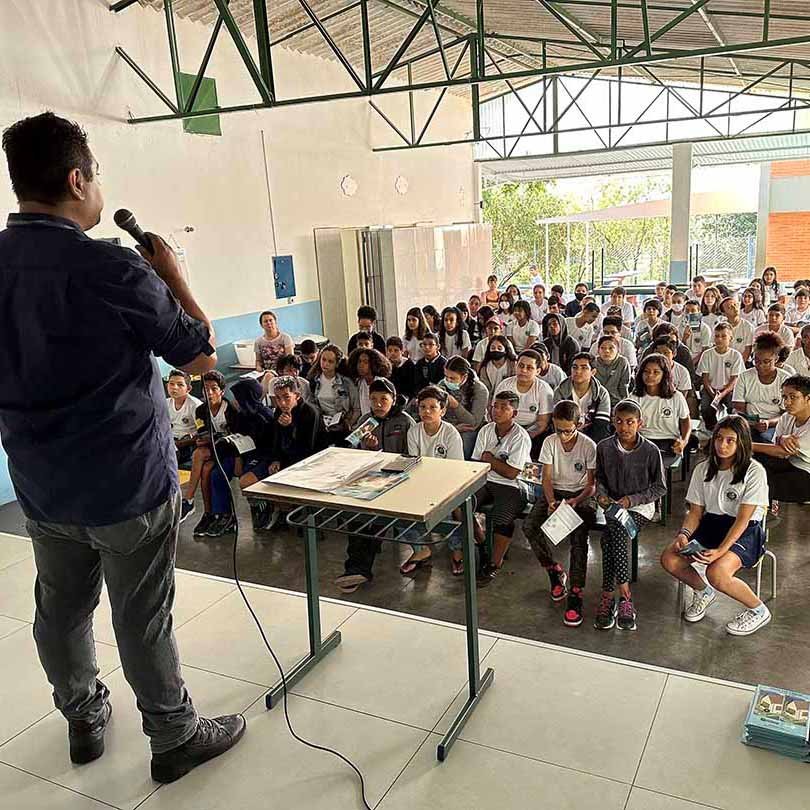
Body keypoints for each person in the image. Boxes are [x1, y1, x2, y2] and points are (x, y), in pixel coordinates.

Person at [0, 112, 244, 781]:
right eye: (96, 173)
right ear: (77, 179)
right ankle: (173, 736)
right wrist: (170, 273)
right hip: (125, 482)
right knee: (141, 615)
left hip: (41, 482)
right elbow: (199, 354)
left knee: (60, 606)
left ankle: (82, 714)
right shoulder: (109, 266)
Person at [661, 415, 771, 636]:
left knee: (717, 572)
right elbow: (695, 512)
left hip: (745, 530)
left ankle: (759, 610)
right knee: (670, 558)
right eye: (719, 438)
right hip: (712, 523)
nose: (722, 445)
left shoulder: (754, 471)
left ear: (742, 442)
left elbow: (743, 519)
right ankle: (703, 593)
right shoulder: (703, 469)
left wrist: (721, 551)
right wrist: (684, 533)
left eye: (730, 440)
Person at [335, 379, 415, 592]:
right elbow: (354, 455)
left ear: (393, 400)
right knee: (355, 515)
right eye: (374, 400)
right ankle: (356, 569)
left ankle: (357, 569)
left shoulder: (405, 422)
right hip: (369, 479)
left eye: (383, 400)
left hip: (398, 480)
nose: (378, 404)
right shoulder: (365, 420)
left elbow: (413, 457)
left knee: (376, 519)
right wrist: (370, 449)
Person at [523, 400, 597, 627]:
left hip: (580, 496)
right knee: (529, 526)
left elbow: (592, 485)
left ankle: (576, 590)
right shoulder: (549, 442)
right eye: (558, 429)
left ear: (579, 424)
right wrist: (552, 501)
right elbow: (546, 478)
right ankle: (553, 570)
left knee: (578, 538)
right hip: (555, 492)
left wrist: (575, 501)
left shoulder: (588, 446)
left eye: (568, 430)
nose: (563, 435)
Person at [594, 401, 666, 631]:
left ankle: (614, 594)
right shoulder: (604, 447)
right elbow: (600, 479)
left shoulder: (650, 451)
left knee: (612, 535)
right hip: (612, 505)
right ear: (613, 422)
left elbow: (659, 488)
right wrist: (602, 496)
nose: (624, 427)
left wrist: (631, 500)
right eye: (619, 421)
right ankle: (621, 598)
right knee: (612, 535)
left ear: (640, 424)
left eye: (630, 422)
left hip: (639, 507)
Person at [242, 376, 319, 531]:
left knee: (279, 482)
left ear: (297, 396)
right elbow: (276, 440)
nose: (282, 403)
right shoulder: (278, 411)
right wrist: (276, 459)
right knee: (246, 481)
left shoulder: (310, 413)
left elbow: (308, 449)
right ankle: (271, 510)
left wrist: (290, 428)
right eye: (277, 398)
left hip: (304, 461)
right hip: (282, 458)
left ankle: (286, 511)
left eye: (286, 398)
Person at [402, 386, 465, 574]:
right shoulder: (414, 432)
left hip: (448, 483)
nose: (427, 412)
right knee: (400, 511)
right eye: (422, 407)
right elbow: (415, 464)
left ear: (443, 410)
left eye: (432, 407)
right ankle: (421, 549)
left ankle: (457, 549)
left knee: (443, 512)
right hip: (421, 482)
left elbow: (455, 469)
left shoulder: (450, 433)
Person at [472, 391, 532, 578]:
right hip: (485, 480)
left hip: (513, 485)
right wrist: (495, 464)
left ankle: (493, 563)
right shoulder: (486, 430)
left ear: (514, 413)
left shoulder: (520, 437)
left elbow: (512, 473)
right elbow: (476, 462)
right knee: (462, 505)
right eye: (495, 406)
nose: (497, 411)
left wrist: (490, 460)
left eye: (504, 408)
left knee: (503, 516)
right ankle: (482, 545)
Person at [191, 371, 242, 538]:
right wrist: (209, 439)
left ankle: (225, 515)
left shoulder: (231, 409)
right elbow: (202, 434)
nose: (210, 393)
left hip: (229, 453)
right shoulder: (200, 410)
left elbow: (237, 439)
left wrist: (212, 439)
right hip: (212, 450)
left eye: (214, 388)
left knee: (212, 473)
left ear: (222, 390)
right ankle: (209, 514)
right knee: (203, 465)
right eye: (206, 389)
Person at [753, 375, 810, 504]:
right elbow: (777, 446)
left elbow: (782, 451)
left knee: (766, 483)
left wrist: (746, 445)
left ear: (808, 399)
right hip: (791, 463)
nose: (787, 402)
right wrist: (782, 438)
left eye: (793, 397)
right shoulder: (787, 417)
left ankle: (758, 517)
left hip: (807, 472)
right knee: (755, 464)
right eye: (784, 397)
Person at [629, 354, 691, 464]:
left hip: (669, 442)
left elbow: (685, 421)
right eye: (646, 371)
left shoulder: (676, 397)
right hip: (642, 440)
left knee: (656, 465)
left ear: (664, 375)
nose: (650, 375)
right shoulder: (634, 397)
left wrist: (683, 441)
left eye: (656, 372)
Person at [494, 350, 554, 458]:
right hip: (505, 429)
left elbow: (542, 422)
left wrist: (521, 436)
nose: (524, 370)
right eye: (521, 366)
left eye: (529, 368)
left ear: (538, 371)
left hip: (532, 433)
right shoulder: (505, 385)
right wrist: (507, 435)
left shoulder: (544, 389)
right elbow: (495, 412)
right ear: (516, 366)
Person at [732, 332, 790, 442]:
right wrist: (751, 422)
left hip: (775, 424)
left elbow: (787, 413)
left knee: (768, 438)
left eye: (767, 362)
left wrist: (769, 422)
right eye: (757, 361)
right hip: (748, 422)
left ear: (776, 359)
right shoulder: (745, 376)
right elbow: (738, 407)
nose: (761, 365)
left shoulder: (785, 380)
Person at [552, 353, 612, 442]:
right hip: (566, 435)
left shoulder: (602, 394)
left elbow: (601, 425)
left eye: (584, 368)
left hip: (592, 436)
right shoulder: (561, 391)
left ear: (593, 372)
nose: (578, 371)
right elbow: (558, 422)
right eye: (575, 367)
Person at [698, 322, 744, 430]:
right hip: (710, 389)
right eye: (717, 336)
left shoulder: (735, 355)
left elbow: (734, 379)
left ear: (730, 338)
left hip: (728, 390)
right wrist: (713, 394)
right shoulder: (707, 354)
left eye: (724, 336)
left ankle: (733, 430)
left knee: (734, 408)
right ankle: (713, 429)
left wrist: (722, 394)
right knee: (705, 408)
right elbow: (705, 378)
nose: (719, 339)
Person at [440, 356, 488, 457]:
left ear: (464, 377)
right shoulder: (442, 384)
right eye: (446, 376)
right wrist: (454, 428)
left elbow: (473, 423)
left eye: (452, 378)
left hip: (471, 429)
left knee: (463, 442)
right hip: (449, 425)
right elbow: (438, 413)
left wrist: (456, 405)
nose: (448, 381)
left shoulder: (480, 390)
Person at [166, 369, 201, 467]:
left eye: (180, 385)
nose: (174, 388)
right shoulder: (165, 403)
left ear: (188, 388)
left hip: (187, 444)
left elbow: (202, 433)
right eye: (171, 384)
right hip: (171, 440)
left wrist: (180, 443)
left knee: (169, 454)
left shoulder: (195, 405)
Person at [346, 346, 391, 417]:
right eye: (359, 361)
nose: (361, 365)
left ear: (373, 364)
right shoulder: (360, 382)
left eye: (365, 362)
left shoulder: (381, 382)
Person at [594, 335, 631, 406]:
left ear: (618, 350)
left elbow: (624, 386)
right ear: (598, 350)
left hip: (616, 401)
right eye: (603, 348)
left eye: (611, 348)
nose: (607, 351)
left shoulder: (623, 362)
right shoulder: (593, 363)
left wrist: (625, 403)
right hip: (597, 401)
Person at [720, 295, 754, 363]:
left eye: (735, 304)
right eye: (730, 307)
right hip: (724, 360)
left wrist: (738, 367)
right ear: (724, 313)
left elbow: (747, 351)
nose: (734, 307)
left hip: (743, 361)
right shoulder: (720, 327)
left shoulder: (748, 326)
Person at [681, 299, 713, 367]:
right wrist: (684, 338)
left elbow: (705, 351)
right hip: (684, 361)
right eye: (687, 311)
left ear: (699, 312)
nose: (690, 313)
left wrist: (692, 363)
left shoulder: (705, 329)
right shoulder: (680, 328)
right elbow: (679, 349)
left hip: (700, 363)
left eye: (693, 310)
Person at [386, 336, 416, 400]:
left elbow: (413, 389)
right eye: (390, 350)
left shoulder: (409, 365)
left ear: (402, 351)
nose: (392, 353)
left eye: (396, 350)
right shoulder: (386, 366)